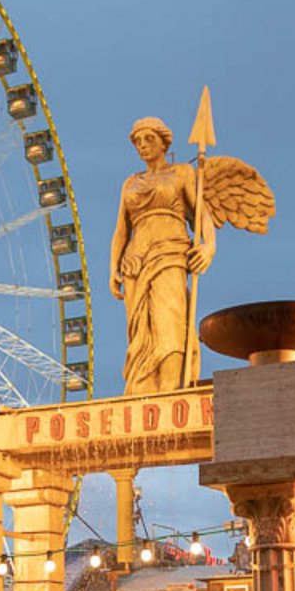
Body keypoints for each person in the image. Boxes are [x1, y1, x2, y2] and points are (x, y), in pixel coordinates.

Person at [109, 119, 215, 396]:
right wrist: (112, 268)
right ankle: (141, 393)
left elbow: (201, 214)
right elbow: (121, 230)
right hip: (134, 262)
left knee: (170, 324)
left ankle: (170, 388)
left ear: (164, 142)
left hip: (170, 253)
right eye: (137, 141)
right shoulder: (130, 183)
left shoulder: (182, 173)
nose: (142, 145)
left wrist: (209, 246)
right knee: (140, 335)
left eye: (149, 139)